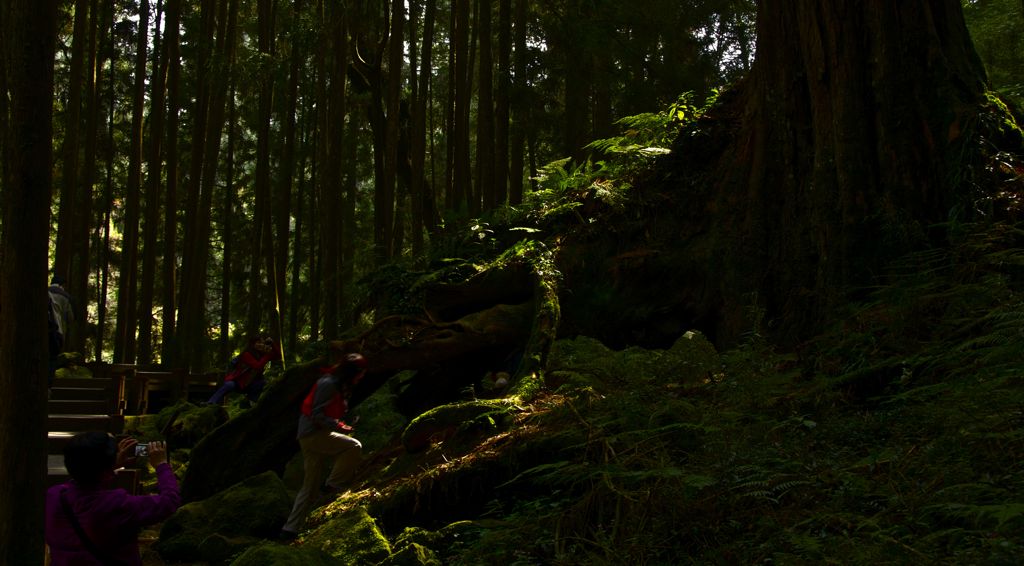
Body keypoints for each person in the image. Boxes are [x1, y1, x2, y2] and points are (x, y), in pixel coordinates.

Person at [45, 433, 180, 566]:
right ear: (105, 470)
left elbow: (84, 486)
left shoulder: (54, 495)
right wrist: (162, 465)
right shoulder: (117, 504)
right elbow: (169, 501)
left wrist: (109, 467)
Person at [280, 353, 367, 540]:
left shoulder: (339, 384)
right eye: (360, 373)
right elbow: (316, 414)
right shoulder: (328, 384)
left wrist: (340, 425)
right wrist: (338, 427)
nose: (362, 377)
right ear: (352, 372)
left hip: (312, 434)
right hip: (312, 435)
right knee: (354, 446)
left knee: (309, 486)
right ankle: (332, 485)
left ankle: (289, 530)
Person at [206, 334, 281, 407]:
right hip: (239, 382)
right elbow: (257, 366)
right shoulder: (247, 354)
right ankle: (211, 402)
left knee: (262, 383)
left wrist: (272, 344)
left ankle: (248, 403)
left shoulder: (263, 354)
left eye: (262, 342)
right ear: (252, 344)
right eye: (258, 342)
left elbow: (278, 356)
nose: (261, 344)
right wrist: (267, 356)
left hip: (251, 384)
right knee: (229, 385)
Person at [47, 275, 74, 386]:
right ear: (62, 285)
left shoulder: (44, 291)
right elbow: (71, 318)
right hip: (56, 331)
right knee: (52, 359)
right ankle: (48, 385)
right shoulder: (66, 296)